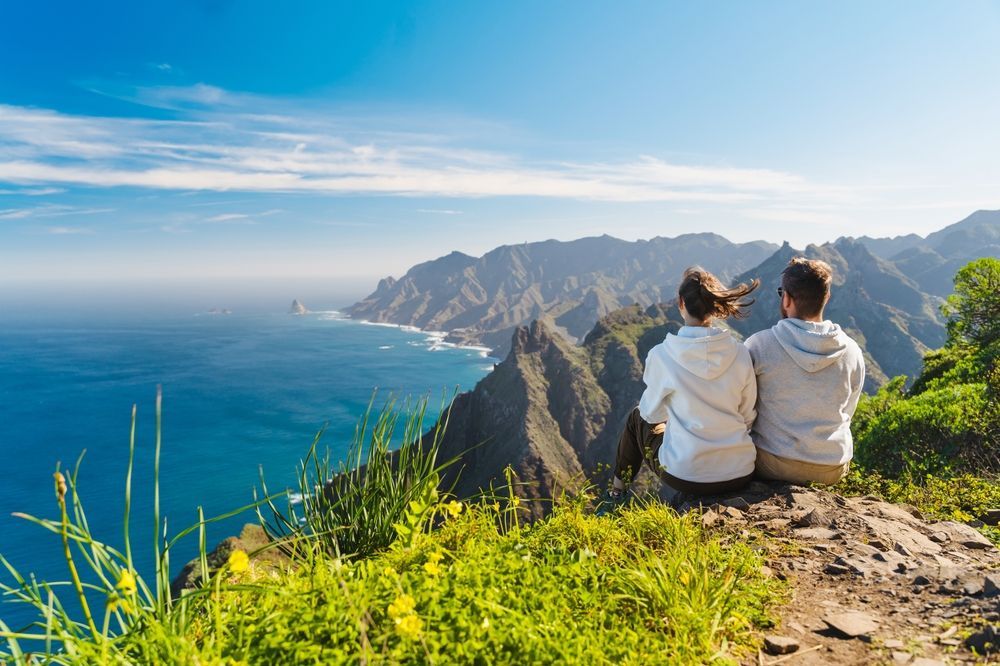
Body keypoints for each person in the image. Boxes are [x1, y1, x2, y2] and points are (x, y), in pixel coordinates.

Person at [600, 267, 760, 512]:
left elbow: (650, 415)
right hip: (739, 470)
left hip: (686, 474)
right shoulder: (740, 353)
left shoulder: (662, 355)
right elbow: (748, 415)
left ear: (681, 303)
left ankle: (614, 496)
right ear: (716, 307)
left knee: (635, 418)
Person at [745, 257, 865, 485]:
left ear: (787, 299)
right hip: (832, 467)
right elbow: (848, 411)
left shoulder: (759, 345)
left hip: (772, 463)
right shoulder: (852, 351)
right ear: (827, 297)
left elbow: (742, 408)